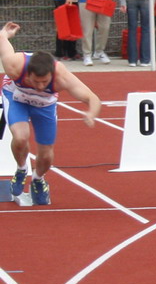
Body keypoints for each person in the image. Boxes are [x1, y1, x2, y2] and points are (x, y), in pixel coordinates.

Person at [0, 22, 101, 205]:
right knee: (21, 137)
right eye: (36, 81)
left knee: (46, 153)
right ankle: (22, 169)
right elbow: (3, 43)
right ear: (27, 74)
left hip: (44, 105)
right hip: (16, 97)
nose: (40, 86)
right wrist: (5, 34)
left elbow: (92, 97)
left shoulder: (61, 77)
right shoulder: (14, 66)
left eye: (44, 82)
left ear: (51, 76)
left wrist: (91, 114)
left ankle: (38, 179)